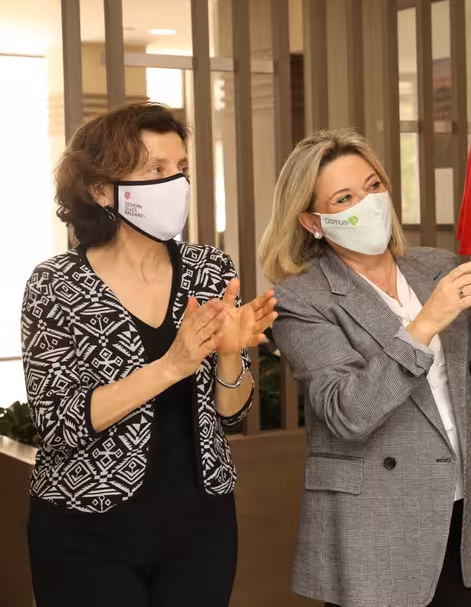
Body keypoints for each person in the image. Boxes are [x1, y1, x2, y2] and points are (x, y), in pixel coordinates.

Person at [260, 131, 471, 607]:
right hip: (374, 523)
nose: (367, 203)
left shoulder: (436, 268)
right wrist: (425, 323)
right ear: (312, 221)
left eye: (373, 186)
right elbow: (348, 412)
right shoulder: (300, 299)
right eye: (344, 198)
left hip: (460, 510)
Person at [21, 103, 277, 607]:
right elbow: (59, 423)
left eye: (180, 168)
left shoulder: (209, 269)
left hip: (201, 525)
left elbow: (232, 413)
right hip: (85, 529)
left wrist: (230, 356)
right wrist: (170, 367)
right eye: (155, 171)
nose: (175, 184)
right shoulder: (56, 284)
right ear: (101, 189)